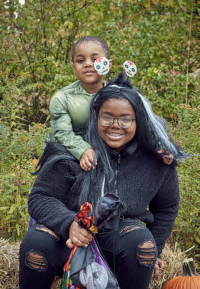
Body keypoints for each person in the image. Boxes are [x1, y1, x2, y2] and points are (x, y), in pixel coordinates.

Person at [19, 73, 186, 289]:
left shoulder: (155, 160)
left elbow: (167, 207)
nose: (115, 125)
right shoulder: (73, 151)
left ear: (138, 121)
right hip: (67, 236)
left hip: (119, 237)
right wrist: (70, 223)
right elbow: (41, 197)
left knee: (143, 245)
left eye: (126, 119)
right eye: (107, 117)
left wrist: (156, 249)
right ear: (96, 117)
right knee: (36, 244)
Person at [49, 35, 112, 171]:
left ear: (108, 64)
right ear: (73, 67)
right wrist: (83, 150)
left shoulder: (119, 95)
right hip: (68, 152)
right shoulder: (62, 98)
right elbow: (62, 133)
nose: (88, 64)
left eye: (95, 59)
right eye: (80, 60)